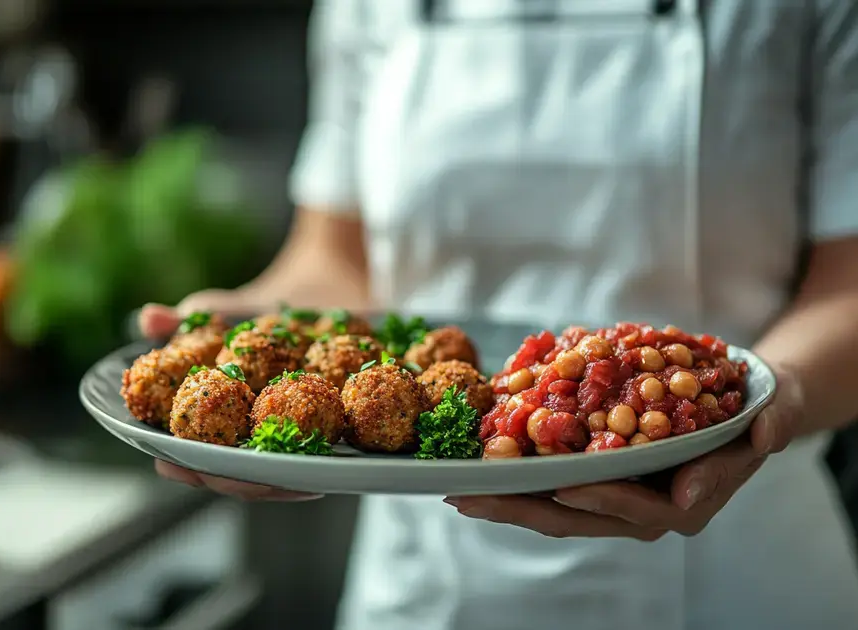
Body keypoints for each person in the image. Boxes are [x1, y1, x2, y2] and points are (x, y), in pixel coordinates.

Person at [139, 1, 858, 628]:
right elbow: (339, 255)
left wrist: (774, 387)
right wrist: (260, 324)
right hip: (427, 574)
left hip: (735, 569)